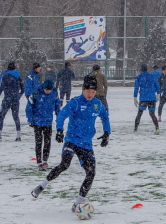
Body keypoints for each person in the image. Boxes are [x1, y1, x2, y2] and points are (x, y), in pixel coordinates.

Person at [30, 75, 111, 213]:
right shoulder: (76, 102)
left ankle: (77, 204)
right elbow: (62, 115)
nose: (90, 94)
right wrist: (59, 130)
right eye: (88, 91)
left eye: (93, 91)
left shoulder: (97, 104)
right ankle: (42, 186)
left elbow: (105, 117)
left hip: (86, 144)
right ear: (83, 90)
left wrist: (107, 133)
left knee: (91, 173)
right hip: (72, 140)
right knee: (64, 164)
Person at [26, 79, 61, 171]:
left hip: (48, 122)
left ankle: (45, 160)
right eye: (46, 90)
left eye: (49, 90)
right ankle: (39, 162)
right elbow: (29, 106)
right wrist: (30, 119)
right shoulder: (36, 93)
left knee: (47, 142)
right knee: (38, 142)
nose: (48, 92)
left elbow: (57, 105)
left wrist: (59, 117)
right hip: (37, 122)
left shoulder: (54, 93)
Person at [0, 62, 24, 141]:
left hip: (7, 99)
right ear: (15, 69)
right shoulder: (18, 77)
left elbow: (1, 88)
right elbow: (23, 89)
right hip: (15, 99)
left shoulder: (5, 76)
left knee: (1, 116)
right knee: (16, 117)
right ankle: (18, 135)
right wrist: (18, 96)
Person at [134, 64, 161, 134]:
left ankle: (135, 129)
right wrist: (158, 93)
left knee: (139, 114)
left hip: (143, 98)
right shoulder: (151, 76)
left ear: (141, 70)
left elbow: (136, 87)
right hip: (152, 98)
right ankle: (157, 128)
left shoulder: (139, 77)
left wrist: (135, 97)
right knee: (152, 114)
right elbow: (157, 86)